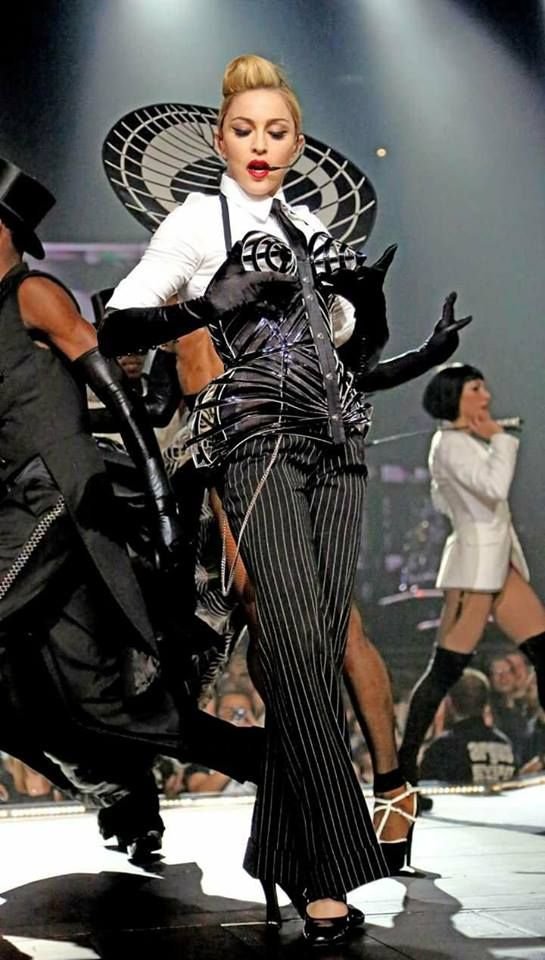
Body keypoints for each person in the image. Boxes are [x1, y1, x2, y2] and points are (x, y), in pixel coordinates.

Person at [99, 54, 473, 944]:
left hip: (339, 448)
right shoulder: (197, 220)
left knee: (320, 642)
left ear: (297, 144)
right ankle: (332, 865)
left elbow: (346, 356)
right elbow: (116, 323)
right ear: (220, 139)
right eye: (243, 130)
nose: (260, 145)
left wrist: (378, 317)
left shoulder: (310, 227)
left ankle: (282, 852)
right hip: (254, 442)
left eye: (276, 132)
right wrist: (204, 307)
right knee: (298, 650)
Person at [0, 156, 264, 862]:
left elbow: (121, 399)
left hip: (55, 497)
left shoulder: (32, 294)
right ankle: (260, 760)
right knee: (94, 702)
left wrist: (161, 497)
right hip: (25, 505)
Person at [398, 363, 545, 787]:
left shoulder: (461, 442)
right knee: (445, 669)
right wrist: (499, 438)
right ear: (456, 397)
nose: (487, 395)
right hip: (476, 569)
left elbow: (450, 500)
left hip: (497, 562)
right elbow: (494, 488)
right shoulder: (450, 445)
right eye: (476, 388)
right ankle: (403, 771)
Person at [419, 669, 516, 784]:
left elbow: (426, 790)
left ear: (450, 703)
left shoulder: (442, 748)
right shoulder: (505, 745)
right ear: (485, 704)